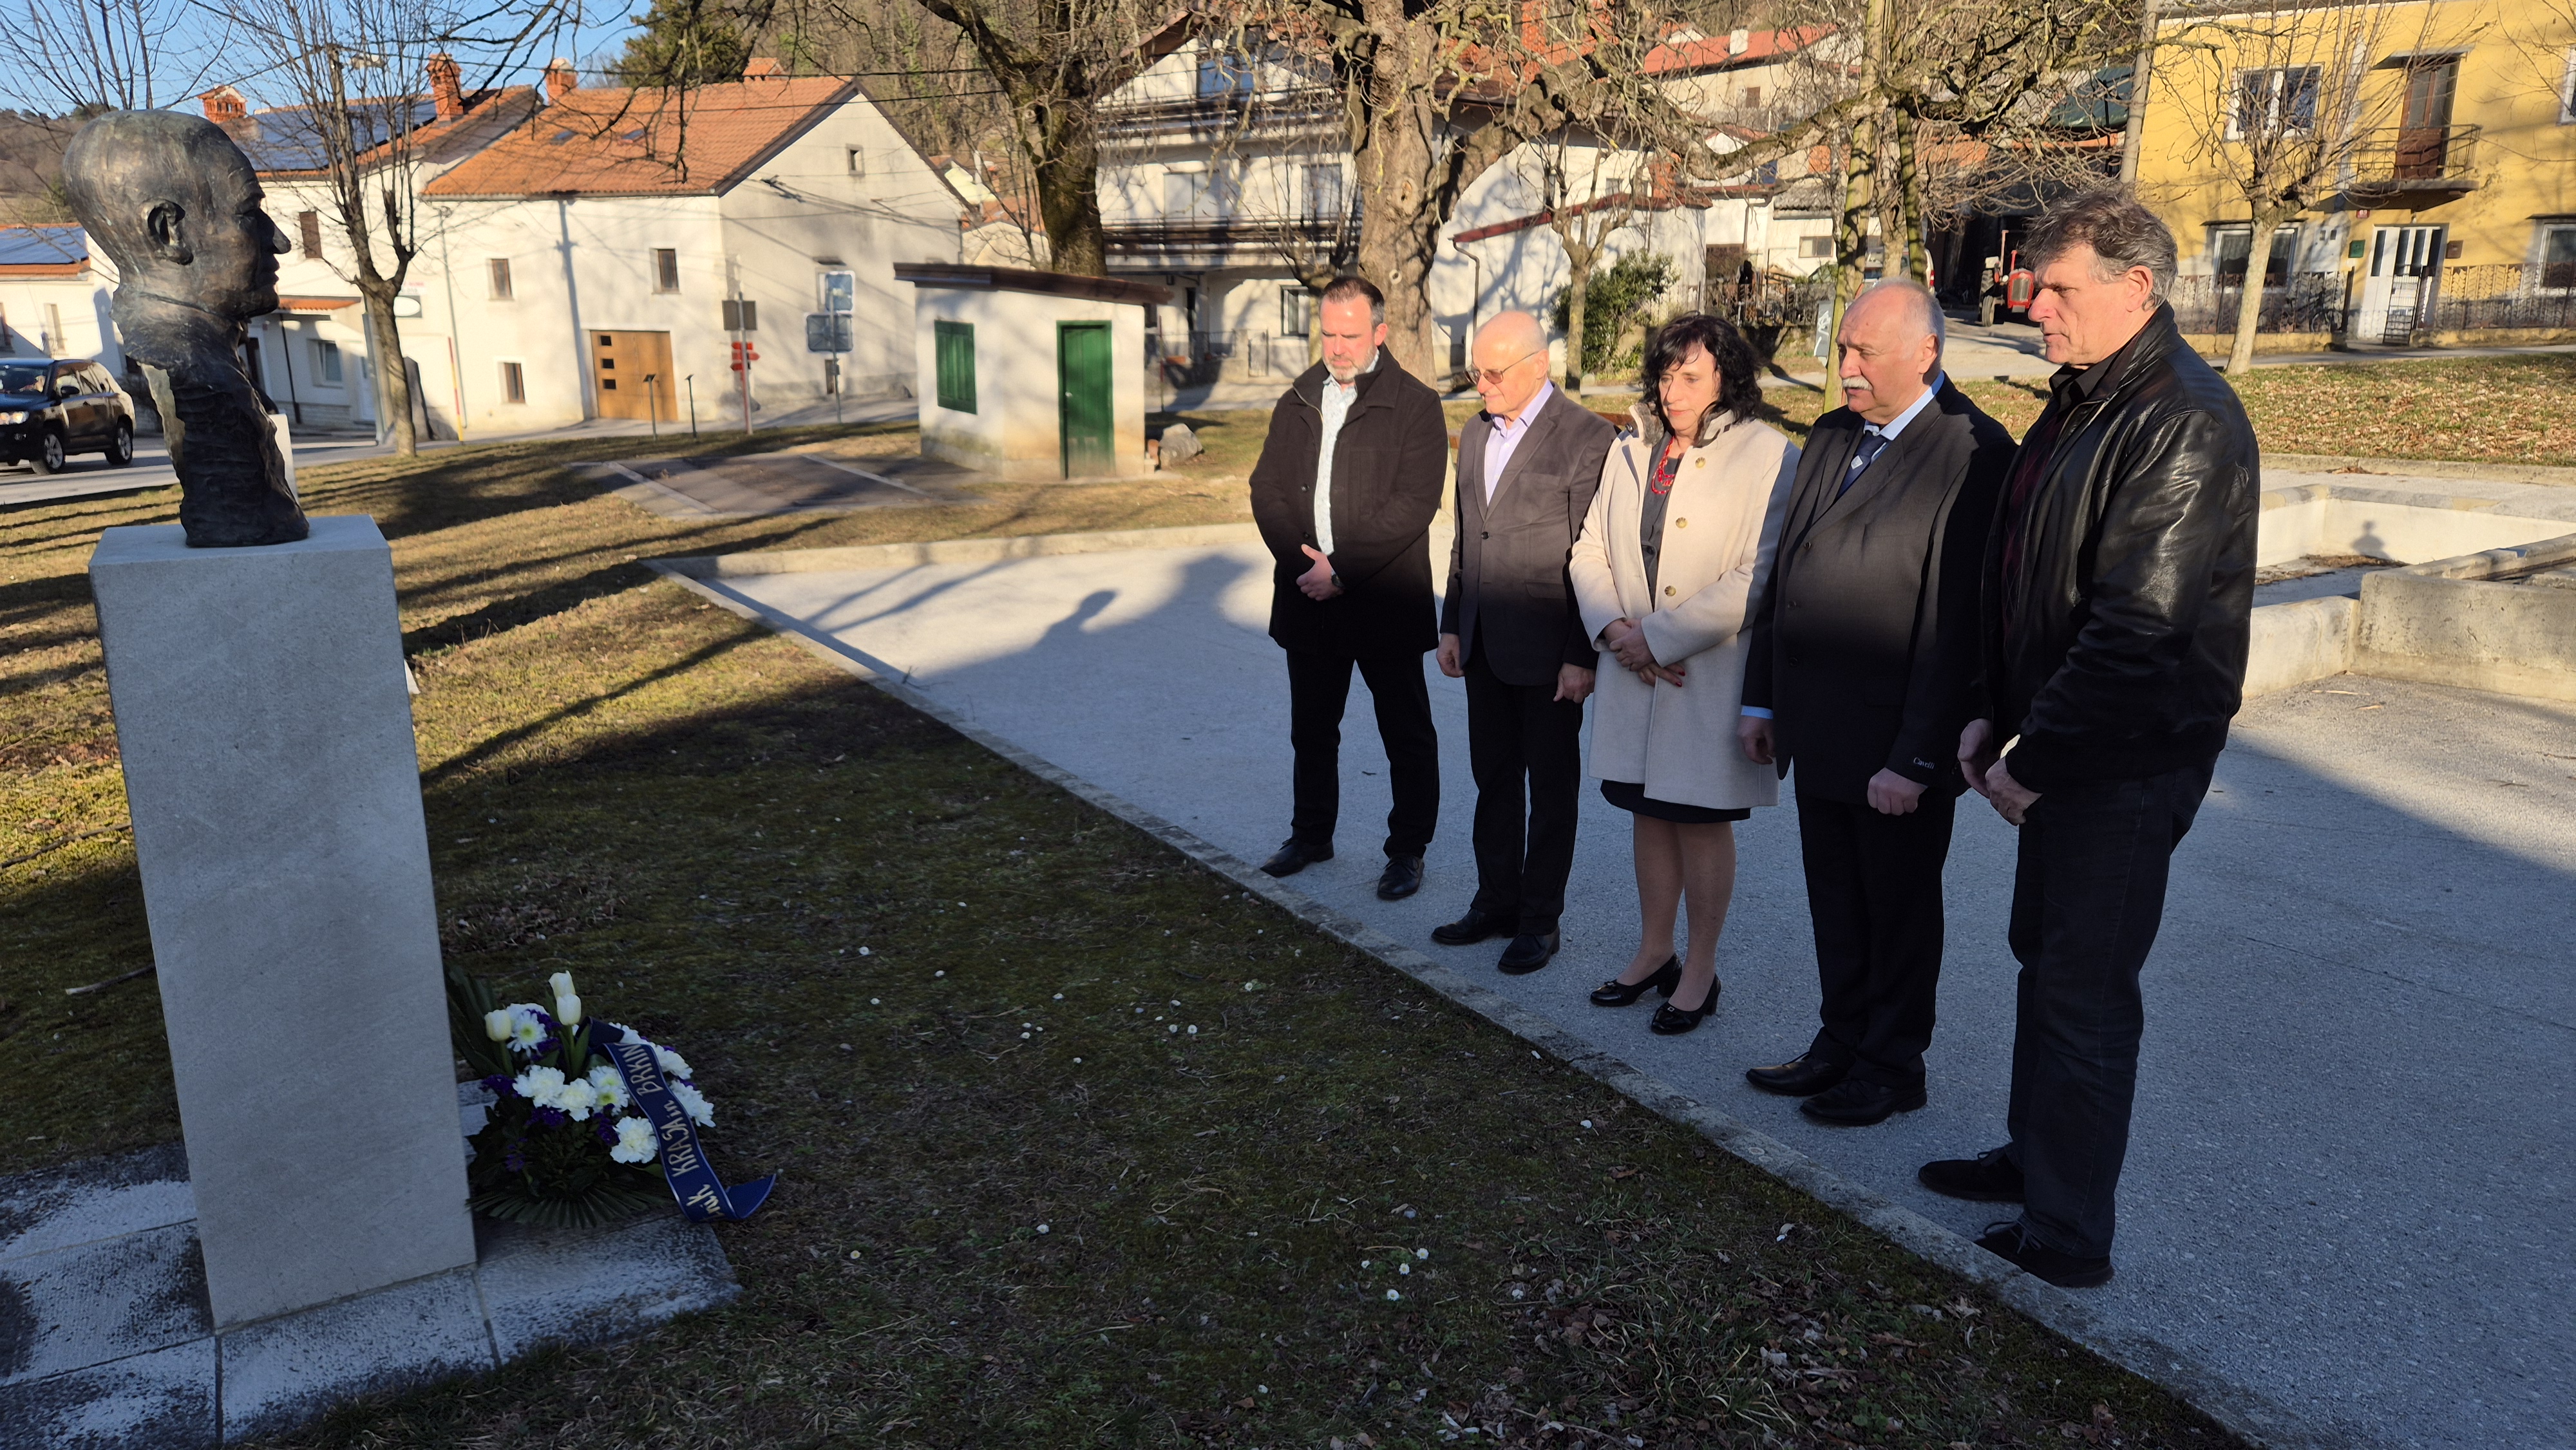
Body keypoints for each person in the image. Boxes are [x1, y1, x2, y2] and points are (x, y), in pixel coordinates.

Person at [1920, 190, 2259, 1288]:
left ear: (2136, 287)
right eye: (2036, 281)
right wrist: (1987, 704)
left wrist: (2037, 759)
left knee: (2086, 988)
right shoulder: (2081, 403)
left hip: (2124, 759)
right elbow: (2017, 574)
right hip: (2061, 742)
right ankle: (2035, 1160)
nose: (2036, 303)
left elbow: (2137, 630)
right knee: (2046, 963)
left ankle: (2068, 1234)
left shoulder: (2184, 420)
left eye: (2060, 286)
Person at [1737, 279, 2014, 1125]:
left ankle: (1894, 1063)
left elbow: (1960, 626)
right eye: (1842, 348)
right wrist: (1761, 701)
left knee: (1895, 909)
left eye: (1863, 353)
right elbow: (1784, 577)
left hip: (1896, 745)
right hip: (1819, 729)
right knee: (1835, 898)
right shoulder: (1831, 435)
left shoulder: (1974, 451)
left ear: (1925, 352)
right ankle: (1840, 1038)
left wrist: (1918, 758)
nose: (1844, 367)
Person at [1567, 314, 1798, 1035]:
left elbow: (1754, 577)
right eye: (1665, 375)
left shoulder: (1768, 454)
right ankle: (1653, 950)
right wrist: (1614, 632)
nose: (1672, 390)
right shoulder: (1631, 447)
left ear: (1727, 376)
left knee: (1698, 819)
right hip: (1634, 669)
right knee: (1646, 809)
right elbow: (1588, 551)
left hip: (1701, 674)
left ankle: (1699, 968)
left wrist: (1656, 640)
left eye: (1690, 376)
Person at [1246, 276, 1450, 899]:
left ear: (1380, 333)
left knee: (1405, 733)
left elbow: (1415, 505)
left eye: (1350, 335)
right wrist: (1303, 564)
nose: (1336, 347)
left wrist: (1343, 569)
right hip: (1309, 598)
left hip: (1383, 599)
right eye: (1328, 333)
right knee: (1312, 728)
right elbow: (1267, 490)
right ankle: (1311, 834)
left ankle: (1407, 851)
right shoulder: (1298, 399)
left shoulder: (1416, 405)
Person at [1430, 312, 1619, 972]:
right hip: (1483, 641)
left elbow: (1593, 557)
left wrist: (1581, 653)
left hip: (1549, 653)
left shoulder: (1589, 439)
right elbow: (1465, 536)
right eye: (1473, 371)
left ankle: (1540, 920)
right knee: (1493, 780)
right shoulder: (1475, 433)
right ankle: (1495, 901)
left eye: (1492, 372)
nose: (1479, 384)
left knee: (1551, 788)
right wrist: (1452, 621)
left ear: (1539, 364)